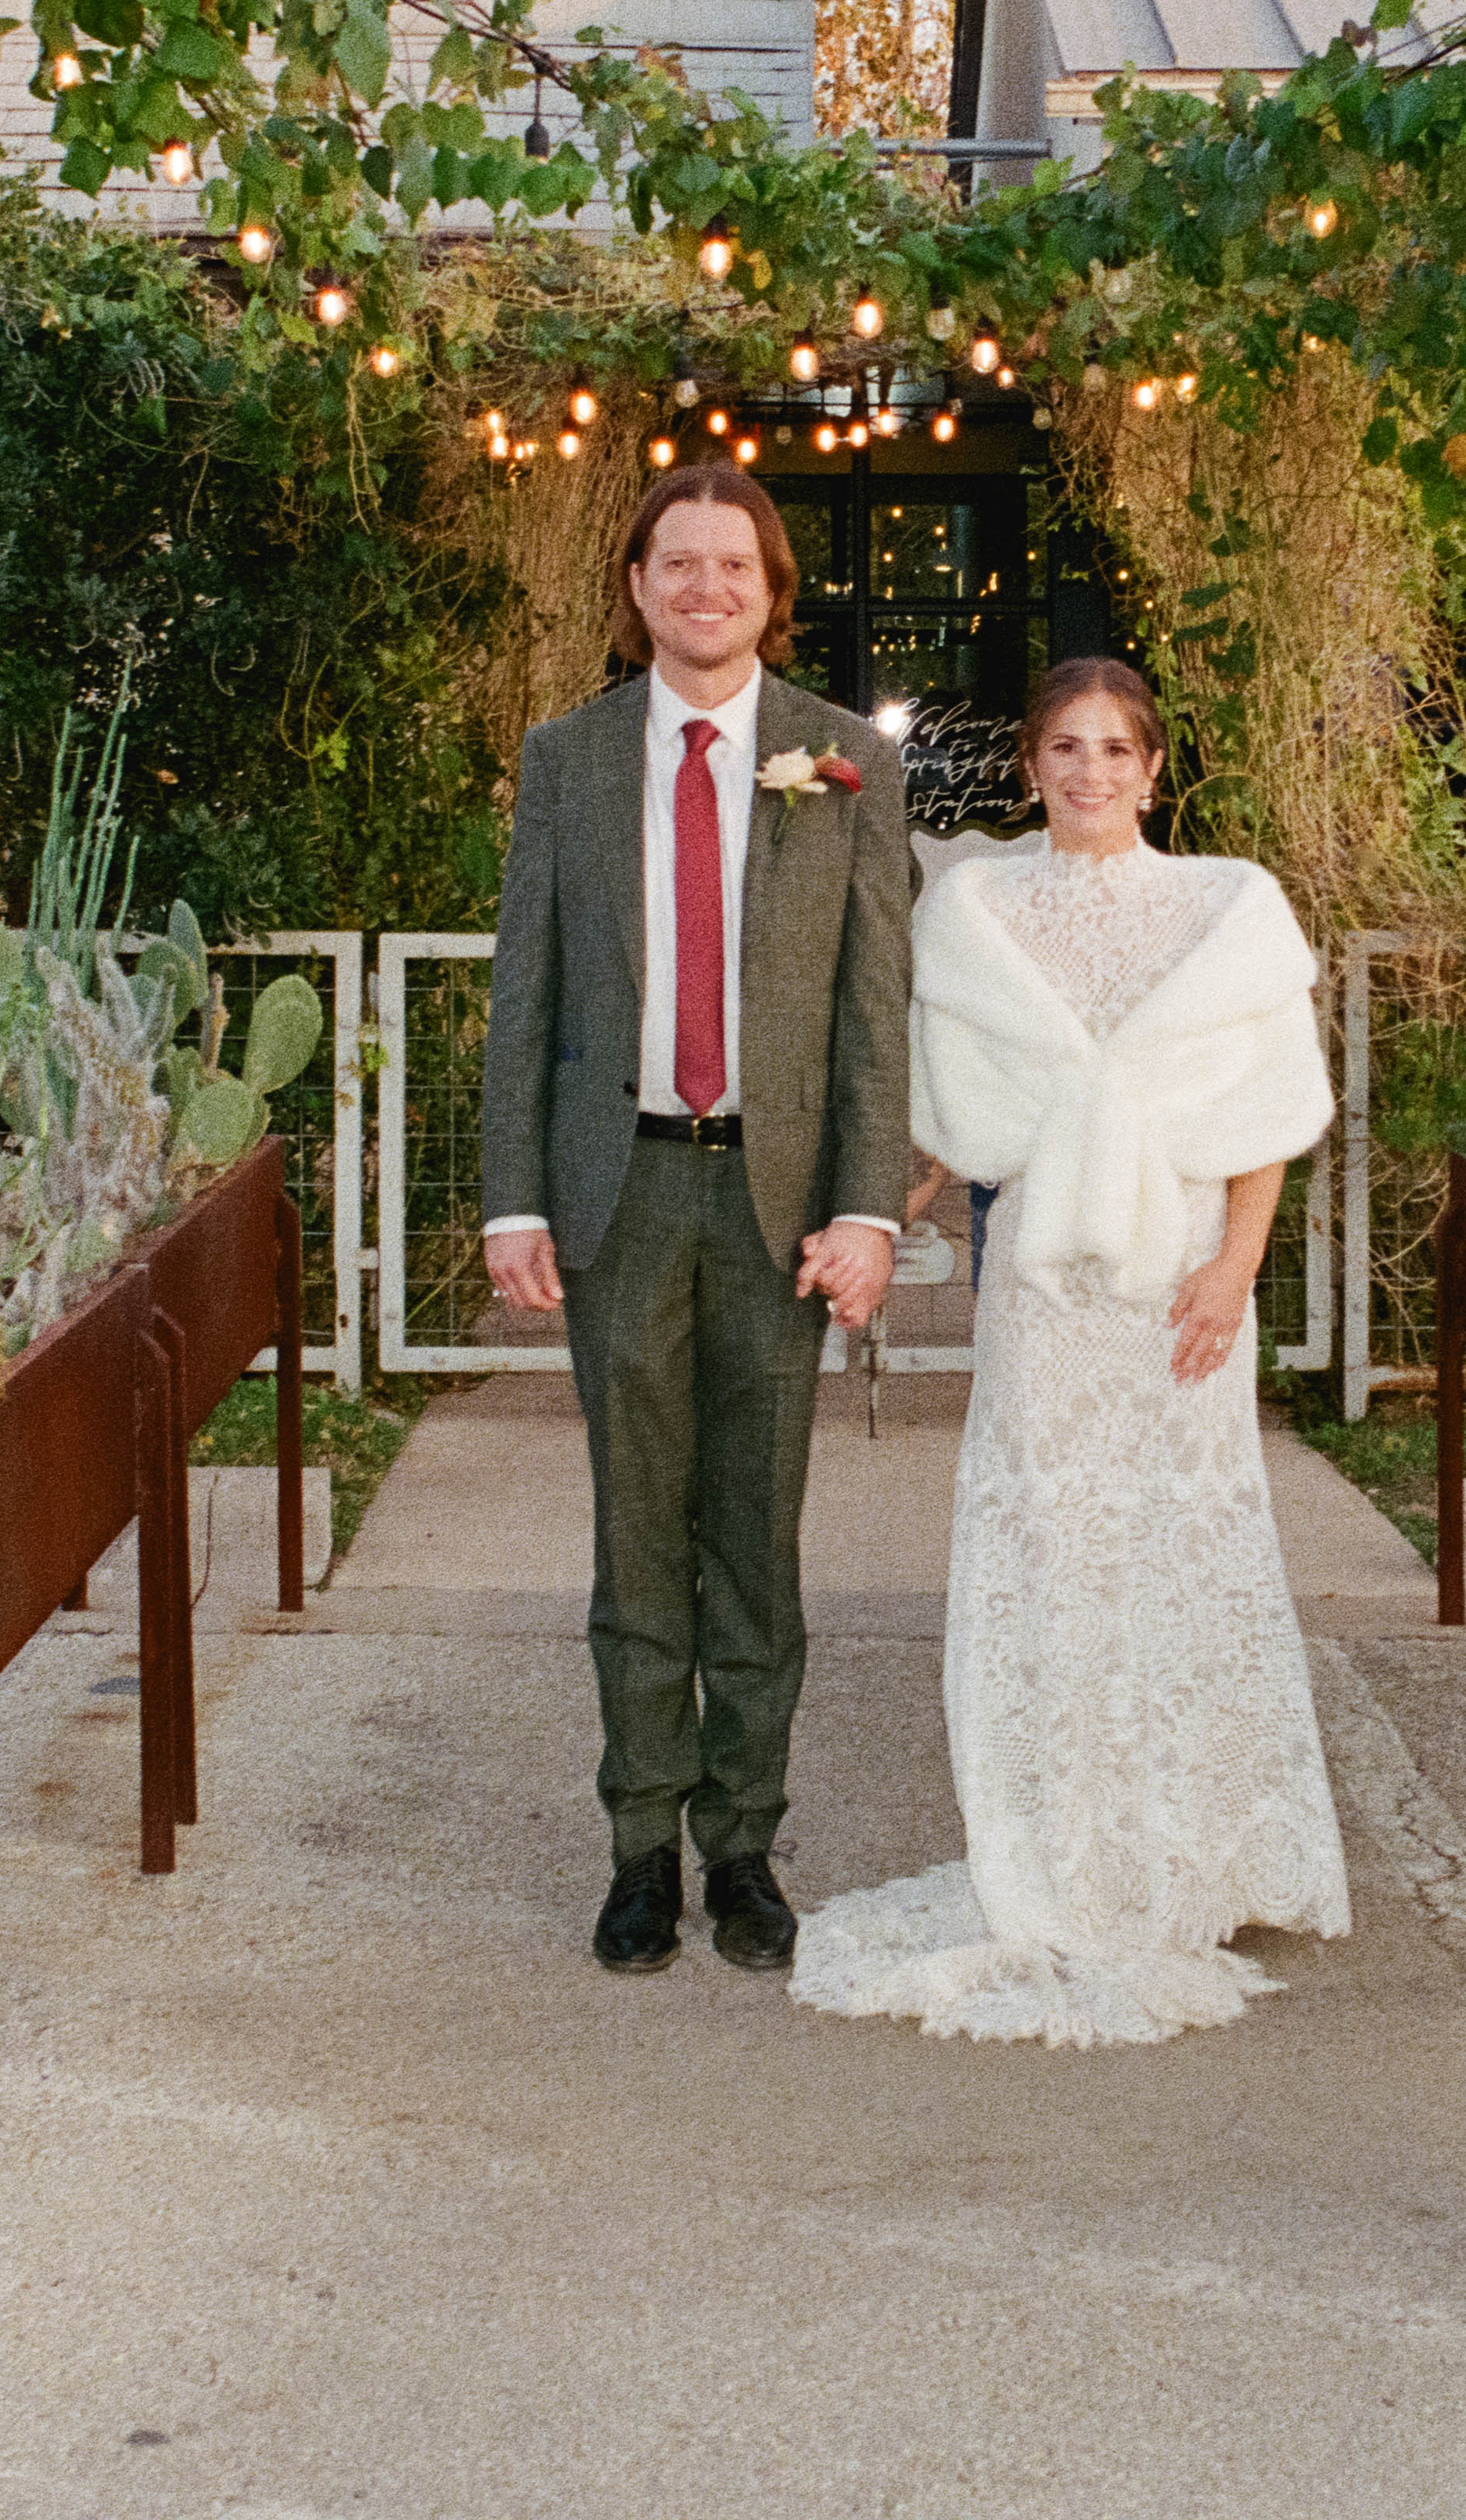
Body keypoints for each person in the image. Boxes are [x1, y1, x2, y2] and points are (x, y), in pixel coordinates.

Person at [792, 657, 1349, 2046]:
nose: (1090, 772)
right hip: (1042, 1287)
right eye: (1064, 748)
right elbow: (944, 1116)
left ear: (1155, 771)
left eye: (1115, 749)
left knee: (1182, 1543)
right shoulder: (976, 910)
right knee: (1052, 1541)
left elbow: (1268, 1113)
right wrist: (871, 1221)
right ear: (1030, 766)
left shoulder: (1229, 909)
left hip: (1180, 1277)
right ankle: (1056, 1839)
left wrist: (1235, 1268)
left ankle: (1200, 1847)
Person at [479, 465, 911, 1978]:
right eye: (678, 563)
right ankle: (637, 1850)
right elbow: (521, 992)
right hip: (621, 1195)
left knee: (757, 1539)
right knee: (634, 1536)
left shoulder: (842, 760)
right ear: (640, 584)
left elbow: (872, 1014)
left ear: (770, 589)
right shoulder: (571, 760)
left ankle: (744, 1848)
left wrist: (868, 1207)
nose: (706, 588)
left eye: (734, 565)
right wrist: (512, 1200)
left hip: (776, 1205)